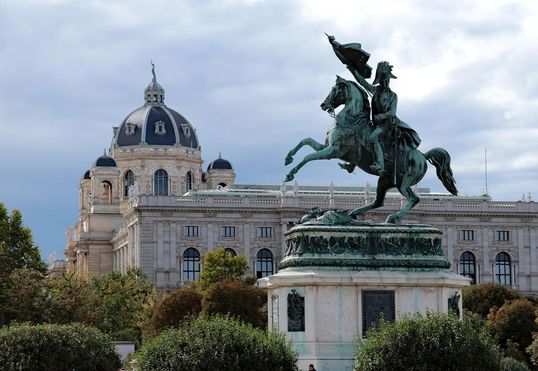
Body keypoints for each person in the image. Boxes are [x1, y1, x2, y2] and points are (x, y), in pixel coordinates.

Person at [348, 61, 421, 175]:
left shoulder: (393, 95)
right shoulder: (375, 90)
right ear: (380, 80)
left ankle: (380, 164)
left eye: (388, 80)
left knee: (373, 138)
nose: (386, 82)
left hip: (388, 124)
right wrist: (352, 69)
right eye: (384, 80)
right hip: (376, 124)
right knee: (360, 135)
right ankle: (352, 163)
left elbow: (392, 112)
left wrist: (381, 116)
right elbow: (362, 82)